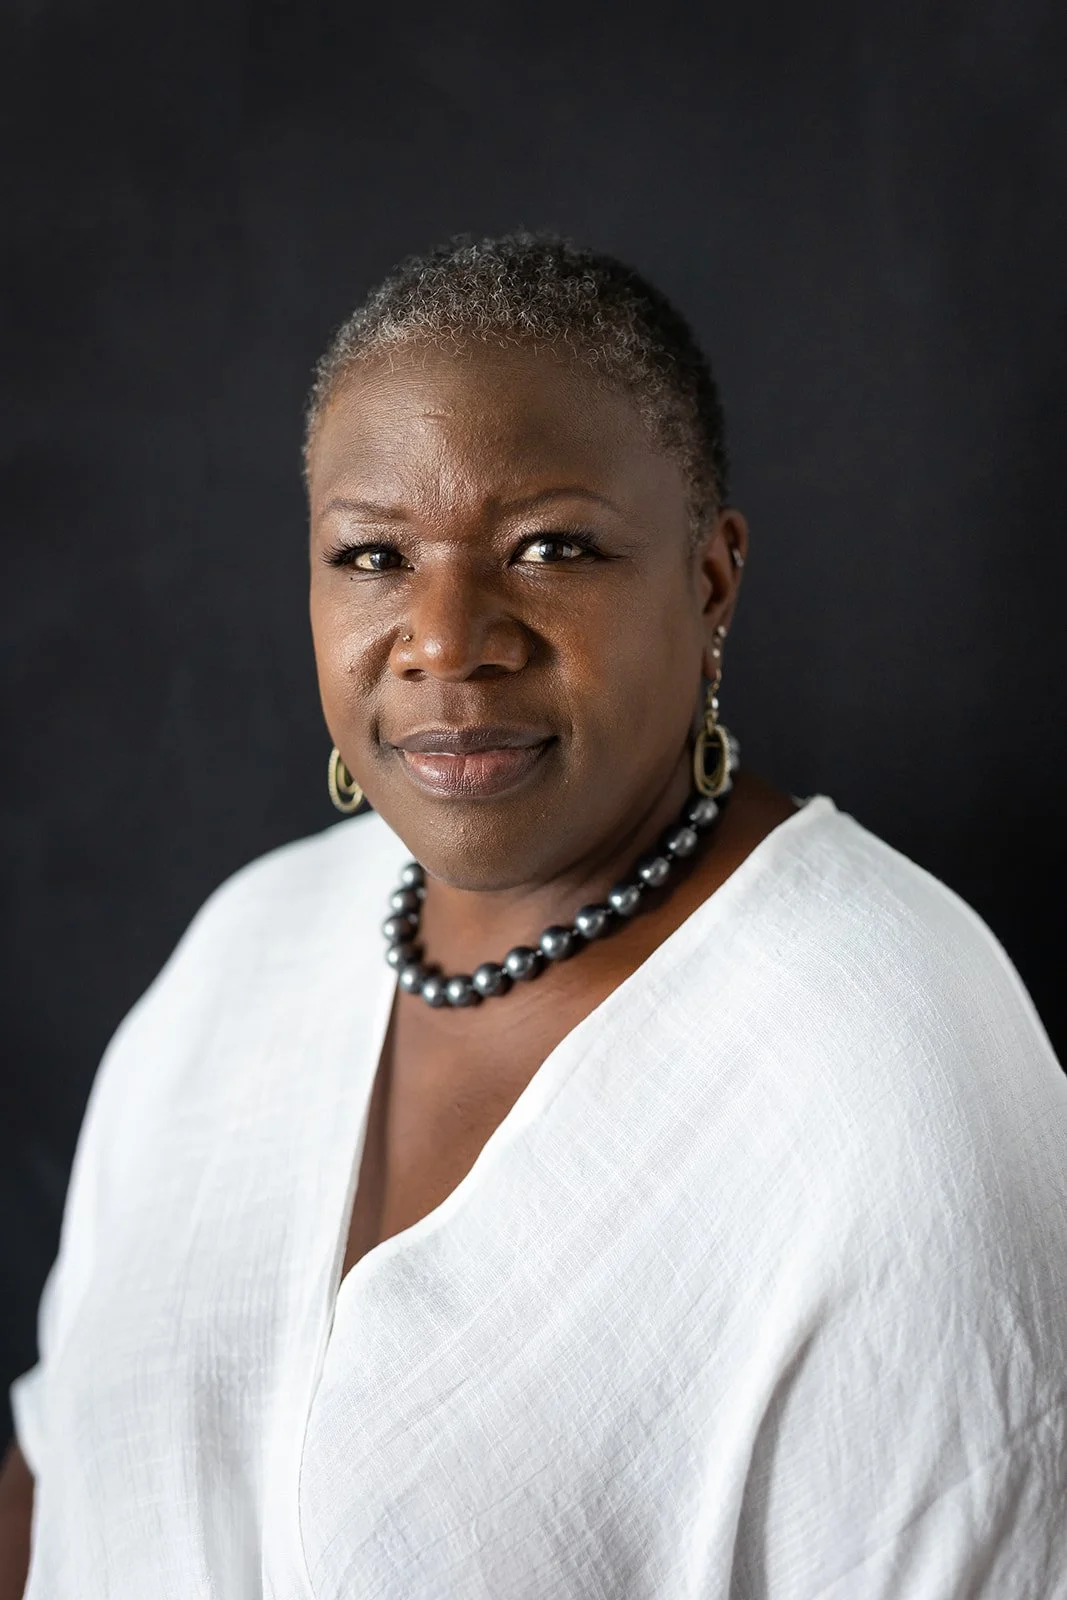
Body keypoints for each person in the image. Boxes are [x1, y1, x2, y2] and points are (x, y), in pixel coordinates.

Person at [2, 231, 1066, 1600]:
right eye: (373, 554)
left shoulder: (894, 1084)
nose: (447, 638)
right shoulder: (246, 950)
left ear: (710, 580)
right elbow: (63, 1475)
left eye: (551, 546)